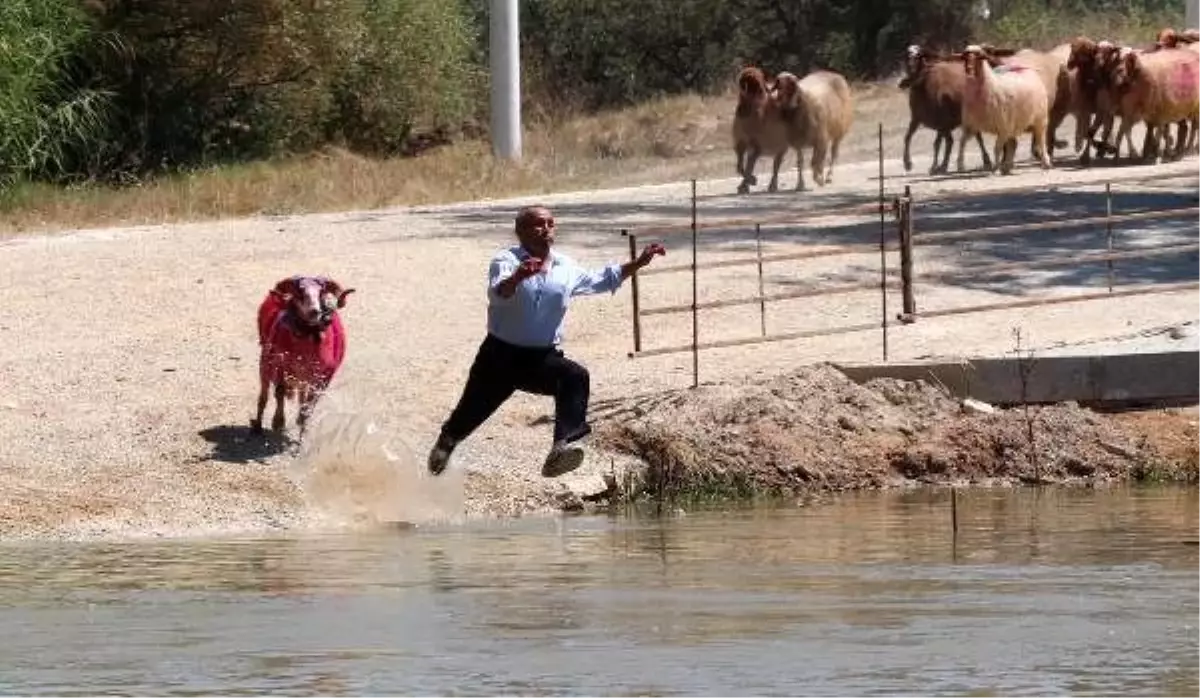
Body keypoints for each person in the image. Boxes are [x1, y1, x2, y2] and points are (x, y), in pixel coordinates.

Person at [427, 204, 666, 477]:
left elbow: (601, 279)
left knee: (575, 376)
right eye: (539, 224)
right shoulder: (505, 260)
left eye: (551, 223)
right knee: (467, 417)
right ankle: (446, 443)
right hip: (498, 357)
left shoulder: (565, 266)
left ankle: (564, 446)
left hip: (540, 359)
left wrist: (638, 263)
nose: (547, 229)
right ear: (521, 231)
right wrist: (519, 276)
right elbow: (500, 292)